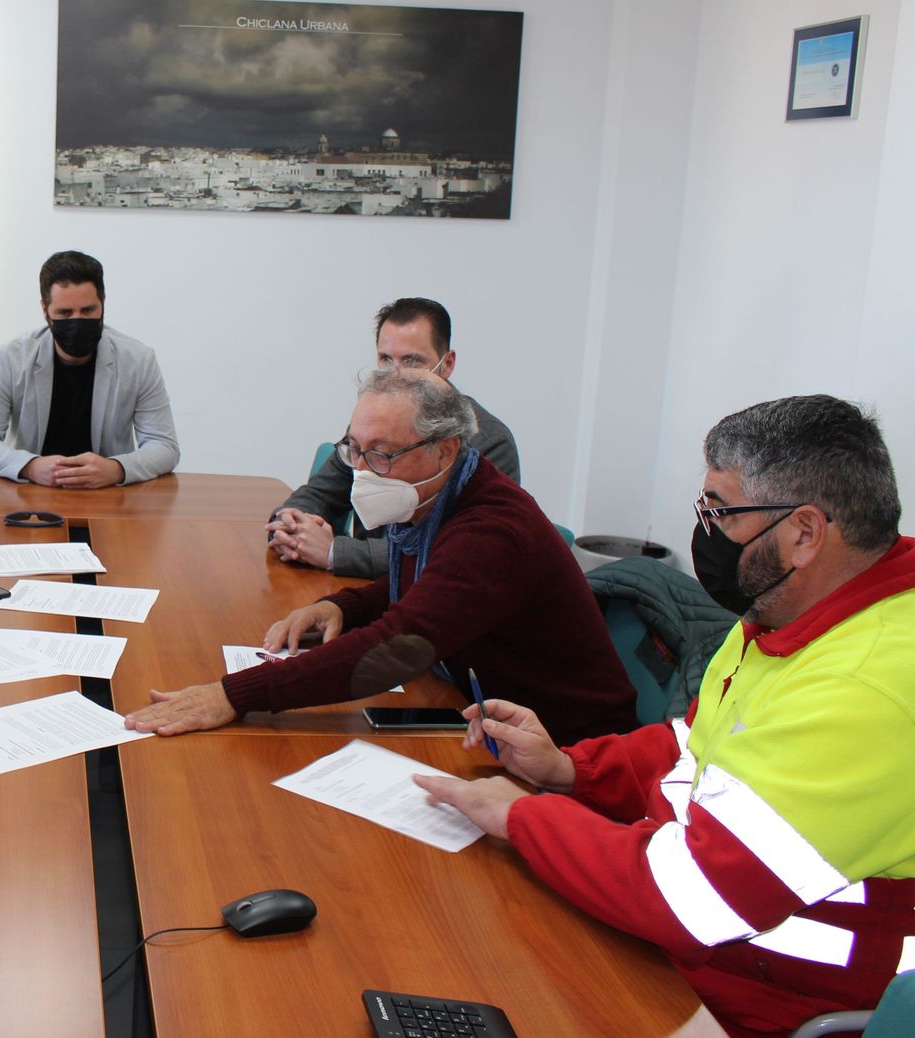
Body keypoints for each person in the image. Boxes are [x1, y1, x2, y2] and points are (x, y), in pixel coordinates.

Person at [415, 395, 915, 1038]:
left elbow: (694, 895)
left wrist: (520, 816)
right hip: (685, 956)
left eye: (719, 510)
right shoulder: (789, 613)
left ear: (804, 533)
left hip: (765, 1004)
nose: (703, 529)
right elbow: (693, 749)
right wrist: (569, 769)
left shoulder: (867, 686)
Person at [125, 368, 635, 747]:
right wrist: (344, 608)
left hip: (572, 750)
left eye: (383, 454)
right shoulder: (434, 496)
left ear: (446, 449)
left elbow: (396, 647)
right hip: (481, 711)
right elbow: (424, 585)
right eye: (356, 449)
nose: (364, 471)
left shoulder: (493, 528)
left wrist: (236, 694)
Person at [268, 298, 520, 578]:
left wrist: (334, 552)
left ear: (447, 364)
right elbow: (319, 492)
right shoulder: (374, 424)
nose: (396, 376)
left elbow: (460, 558)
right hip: (364, 592)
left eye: (411, 361)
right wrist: (290, 527)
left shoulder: (489, 441)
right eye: (386, 360)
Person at [0, 250, 179, 488]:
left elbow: (164, 446)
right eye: (64, 313)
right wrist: (30, 466)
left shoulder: (138, 360)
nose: (77, 321)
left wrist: (116, 469)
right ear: (45, 310)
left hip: (108, 496)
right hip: (32, 494)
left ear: (103, 303)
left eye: (88, 310)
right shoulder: (11, 359)